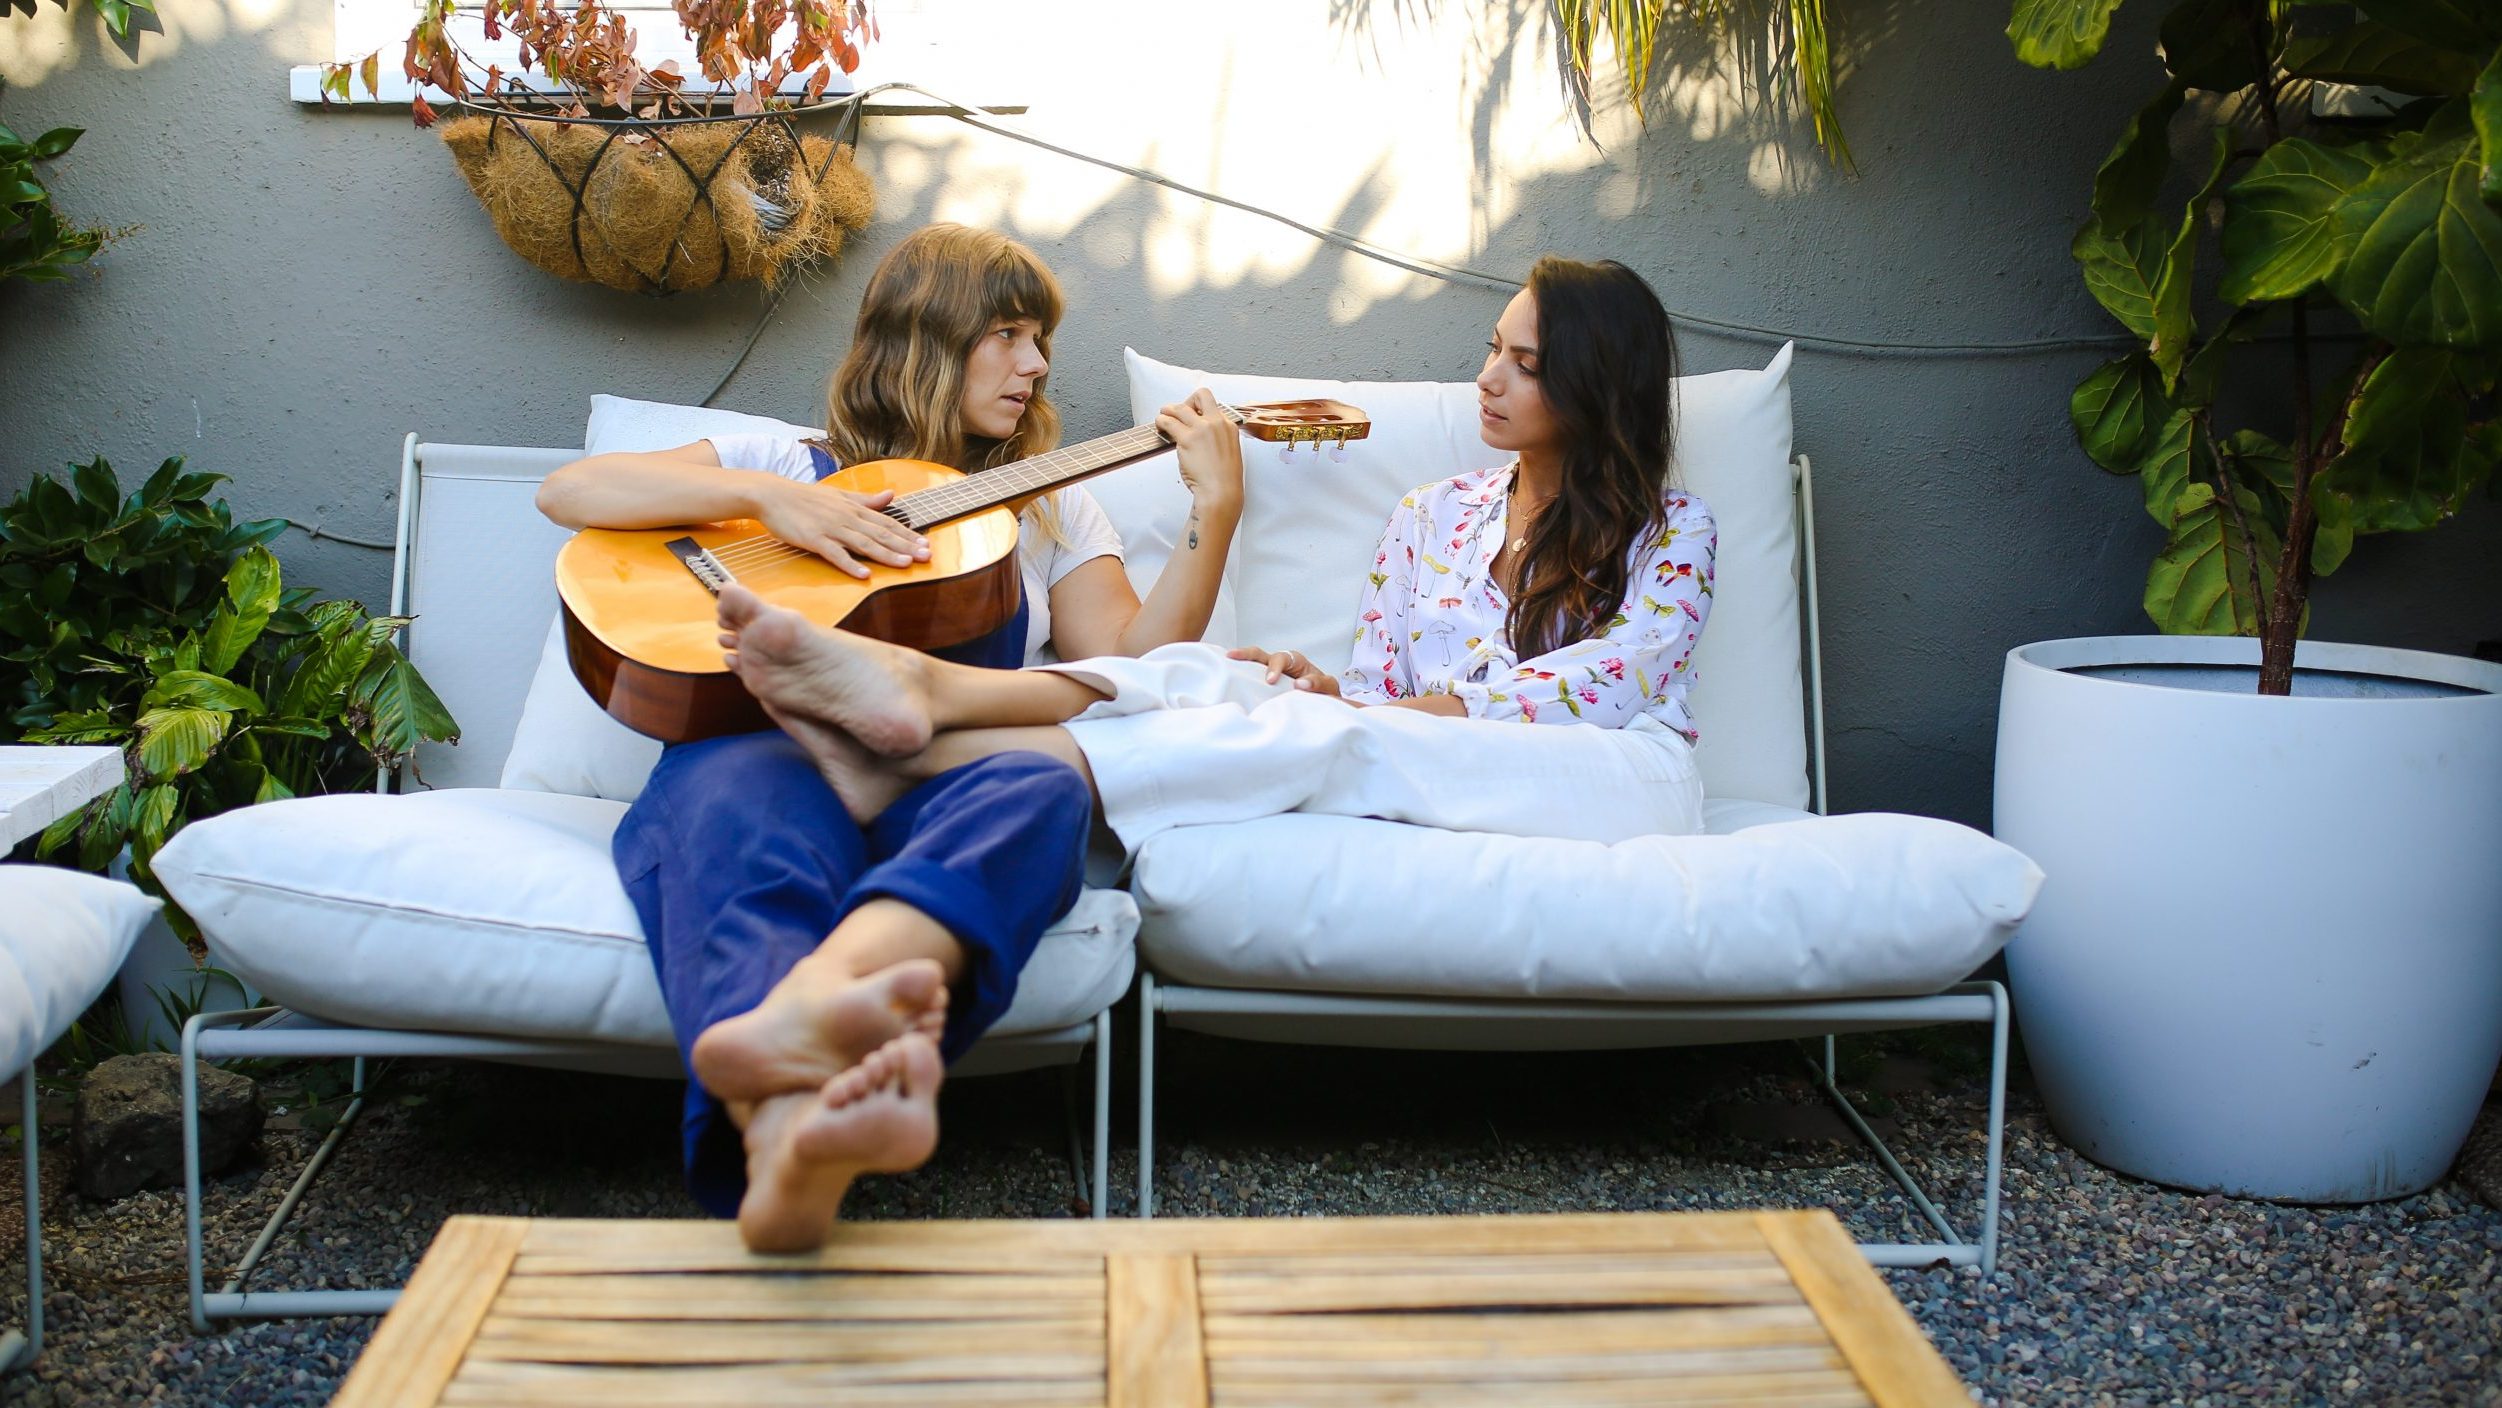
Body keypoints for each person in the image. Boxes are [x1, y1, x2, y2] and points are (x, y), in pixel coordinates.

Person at [713, 253, 1718, 1112]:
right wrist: (1314, 687)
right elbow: (1372, 688)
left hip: (1611, 776)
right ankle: (923, 723)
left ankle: (933, 720)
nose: (1489, 377)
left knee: (1330, 732)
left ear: (1595, 384)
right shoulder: (1431, 513)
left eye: (1526, 363)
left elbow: (1595, 692)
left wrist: (1356, 715)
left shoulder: (1676, 532)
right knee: (1222, 679)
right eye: (1493, 347)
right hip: (1419, 758)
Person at [534, 223, 1245, 1250]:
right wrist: (771, 499)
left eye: (1038, 338)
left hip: (940, 769)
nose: (1037, 364)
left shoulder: (1050, 511)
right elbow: (574, 491)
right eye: (1006, 333)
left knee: (1044, 791)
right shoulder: (787, 460)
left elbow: (1134, 665)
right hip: (764, 752)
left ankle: (791, 1123)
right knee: (740, 805)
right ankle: (789, 1135)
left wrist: (1211, 512)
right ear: (924, 337)